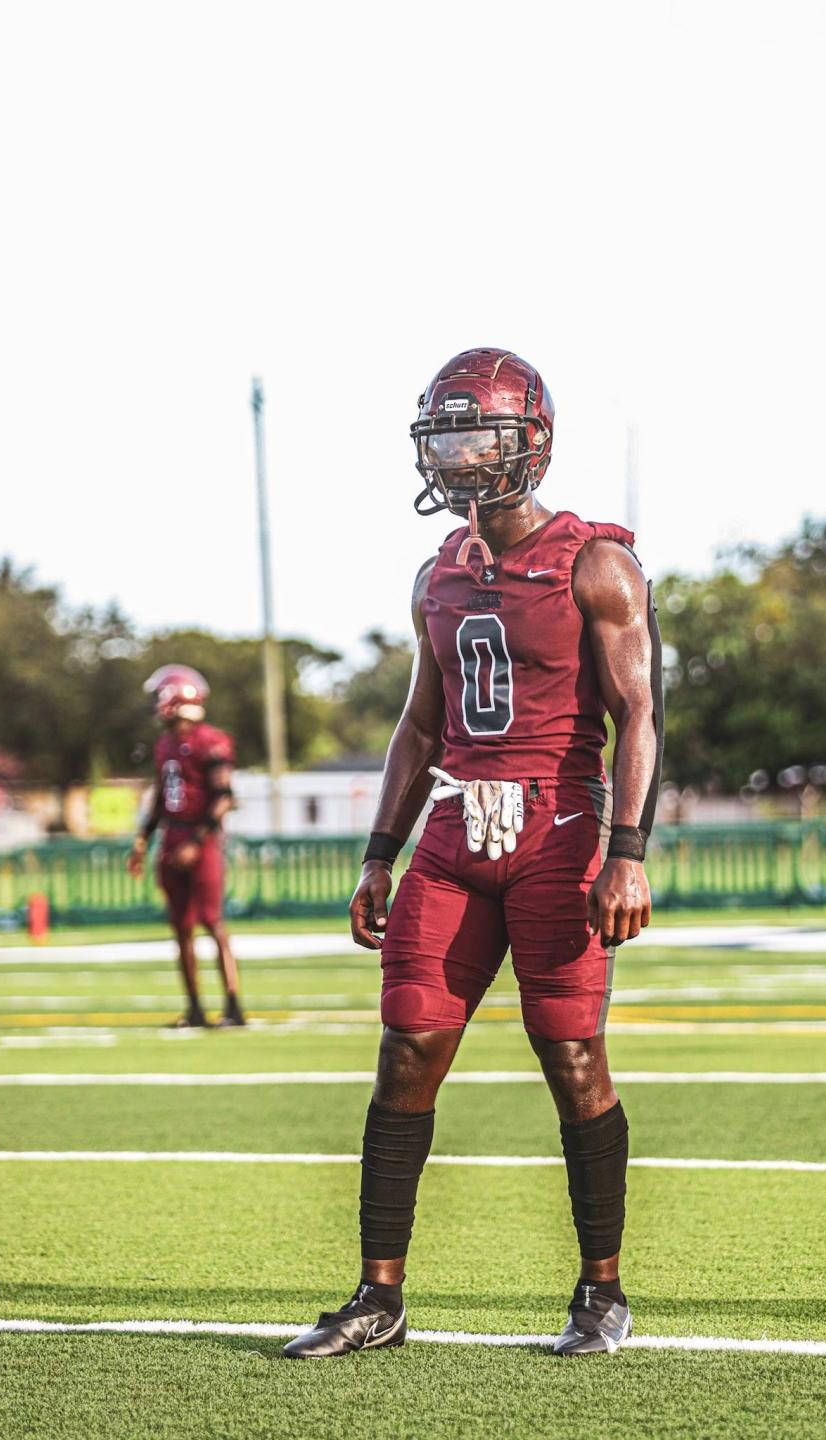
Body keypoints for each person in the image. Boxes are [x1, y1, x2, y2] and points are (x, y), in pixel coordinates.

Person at [285, 349, 662, 1360]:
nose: (455, 455)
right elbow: (416, 725)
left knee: (571, 1054)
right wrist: (378, 852)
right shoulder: (439, 569)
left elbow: (638, 717)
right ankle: (377, 1295)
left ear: (528, 439)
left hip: (558, 830)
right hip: (453, 832)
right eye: (443, 434)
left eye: (475, 433)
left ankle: (601, 1290)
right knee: (407, 1048)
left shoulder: (596, 561)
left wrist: (627, 852)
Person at [127, 664, 246, 1029]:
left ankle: (233, 1005)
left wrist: (197, 841)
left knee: (212, 922)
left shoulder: (210, 740)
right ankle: (194, 1006)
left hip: (201, 840)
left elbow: (224, 796)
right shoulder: (164, 745)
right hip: (172, 838)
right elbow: (162, 797)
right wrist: (143, 839)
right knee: (180, 926)